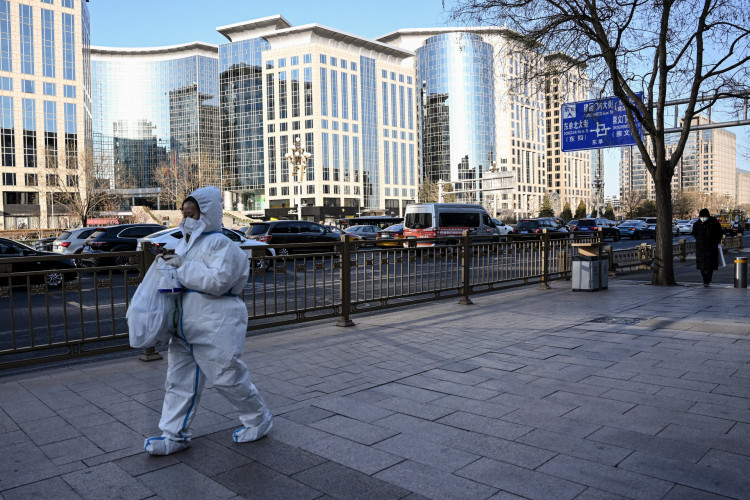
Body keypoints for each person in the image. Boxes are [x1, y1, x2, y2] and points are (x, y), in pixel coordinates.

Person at [144, 186, 272, 456]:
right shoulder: (185, 243)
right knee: (178, 381)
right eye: (185, 214)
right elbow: (181, 274)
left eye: (193, 213)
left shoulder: (223, 245)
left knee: (228, 378)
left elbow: (218, 282)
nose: (187, 219)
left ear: (208, 214)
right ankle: (174, 434)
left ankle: (258, 420)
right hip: (184, 327)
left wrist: (181, 266)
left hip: (216, 325)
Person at [691, 208, 724, 287]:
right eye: (701, 216)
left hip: (711, 247)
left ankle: (708, 279)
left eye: (704, 216)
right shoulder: (697, 224)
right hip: (700, 247)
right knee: (701, 264)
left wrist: (715, 241)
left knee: (710, 265)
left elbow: (719, 234)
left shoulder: (714, 223)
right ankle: (705, 278)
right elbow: (695, 234)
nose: (703, 218)